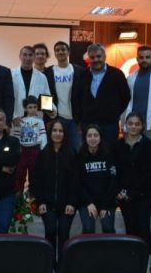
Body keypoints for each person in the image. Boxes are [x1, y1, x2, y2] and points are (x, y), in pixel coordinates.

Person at [30, 119, 77, 263]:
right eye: (55, 130)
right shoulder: (43, 154)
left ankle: (63, 266)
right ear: (50, 133)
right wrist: (40, 201)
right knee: (49, 232)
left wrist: (72, 202)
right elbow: (36, 180)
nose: (57, 134)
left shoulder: (72, 154)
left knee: (64, 234)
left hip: (67, 205)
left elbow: (76, 181)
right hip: (47, 204)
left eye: (61, 131)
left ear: (65, 133)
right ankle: (49, 264)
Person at [114, 113, 151, 250]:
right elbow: (114, 171)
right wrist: (119, 191)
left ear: (142, 126)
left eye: (137, 124)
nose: (133, 126)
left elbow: (149, 174)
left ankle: (146, 258)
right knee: (130, 227)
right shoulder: (118, 145)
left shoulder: (149, 146)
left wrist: (132, 193)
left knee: (143, 227)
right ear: (125, 125)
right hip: (124, 196)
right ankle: (133, 258)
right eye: (130, 123)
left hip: (143, 195)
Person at [72, 43, 130, 145]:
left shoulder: (117, 74)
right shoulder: (82, 75)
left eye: (99, 56)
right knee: (89, 152)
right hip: (88, 124)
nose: (96, 60)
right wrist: (79, 120)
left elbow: (126, 96)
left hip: (109, 125)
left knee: (110, 151)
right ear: (89, 58)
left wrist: (114, 113)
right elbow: (75, 98)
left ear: (104, 56)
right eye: (92, 57)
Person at [76, 125, 118, 234]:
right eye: (89, 135)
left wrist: (105, 205)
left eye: (96, 135)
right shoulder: (80, 157)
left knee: (108, 228)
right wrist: (89, 203)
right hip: (87, 201)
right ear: (85, 138)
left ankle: (111, 246)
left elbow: (113, 182)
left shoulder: (109, 155)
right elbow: (78, 184)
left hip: (107, 200)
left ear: (100, 138)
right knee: (88, 228)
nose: (93, 138)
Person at [45, 41, 86, 152]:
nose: (60, 52)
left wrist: (81, 120)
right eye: (57, 50)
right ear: (55, 53)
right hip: (56, 119)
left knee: (77, 149)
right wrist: (49, 116)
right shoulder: (48, 72)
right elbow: (44, 93)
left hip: (74, 120)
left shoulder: (79, 71)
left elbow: (84, 96)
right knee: (55, 150)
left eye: (63, 49)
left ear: (68, 52)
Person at [10, 95, 47, 192]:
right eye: (30, 107)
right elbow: (17, 135)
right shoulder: (21, 121)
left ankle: (33, 195)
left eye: (35, 107)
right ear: (25, 108)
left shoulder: (40, 121)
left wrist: (43, 149)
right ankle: (18, 194)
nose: (33, 109)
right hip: (22, 150)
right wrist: (16, 148)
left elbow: (43, 135)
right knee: (20, 173)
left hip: (35, 150)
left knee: (34, 173)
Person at [11, 45, 53, 122]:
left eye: (30, 55)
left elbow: (46, 98)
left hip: (36, 120)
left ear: (34, 57)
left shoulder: (42, 77)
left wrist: (52, 110)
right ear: (20, 56)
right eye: (24, 55)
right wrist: (12, 116)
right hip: (16, 119)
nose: (27, 58)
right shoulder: (11, 75)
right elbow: (7, 98)